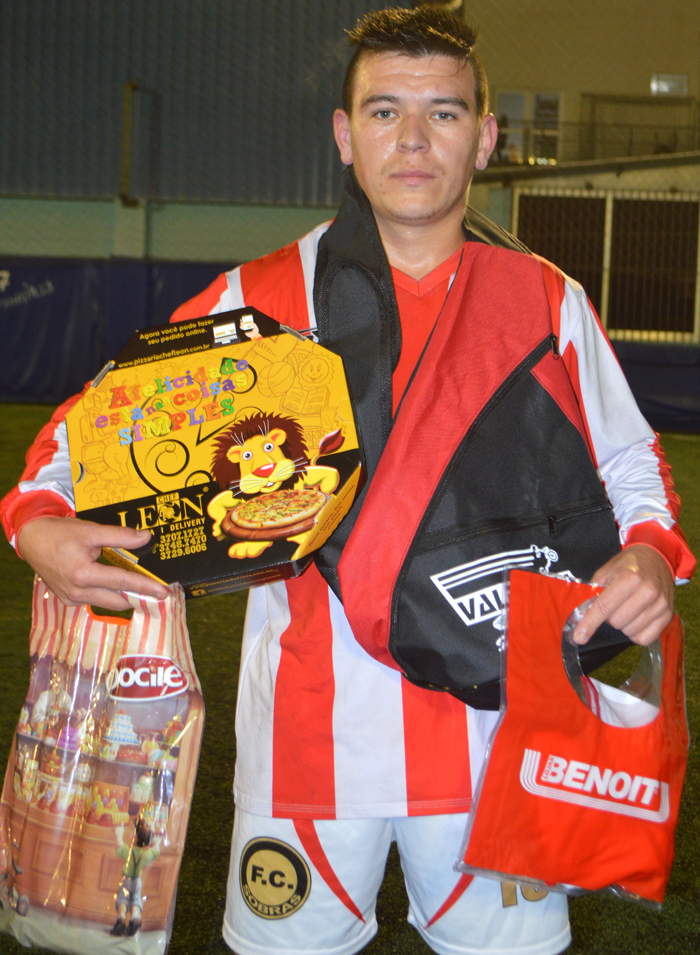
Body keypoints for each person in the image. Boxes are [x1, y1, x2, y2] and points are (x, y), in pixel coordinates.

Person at [1, 8, 694, 955]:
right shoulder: (261, 298)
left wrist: (652, 554)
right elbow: (80, 439)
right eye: (384, 112)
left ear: (486, 137)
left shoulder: (542, 297)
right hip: (307, 748)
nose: (413, 140)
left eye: (444, 114)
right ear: (343, 133)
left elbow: (630, 460)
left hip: (495, 734)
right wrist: (39, 522)